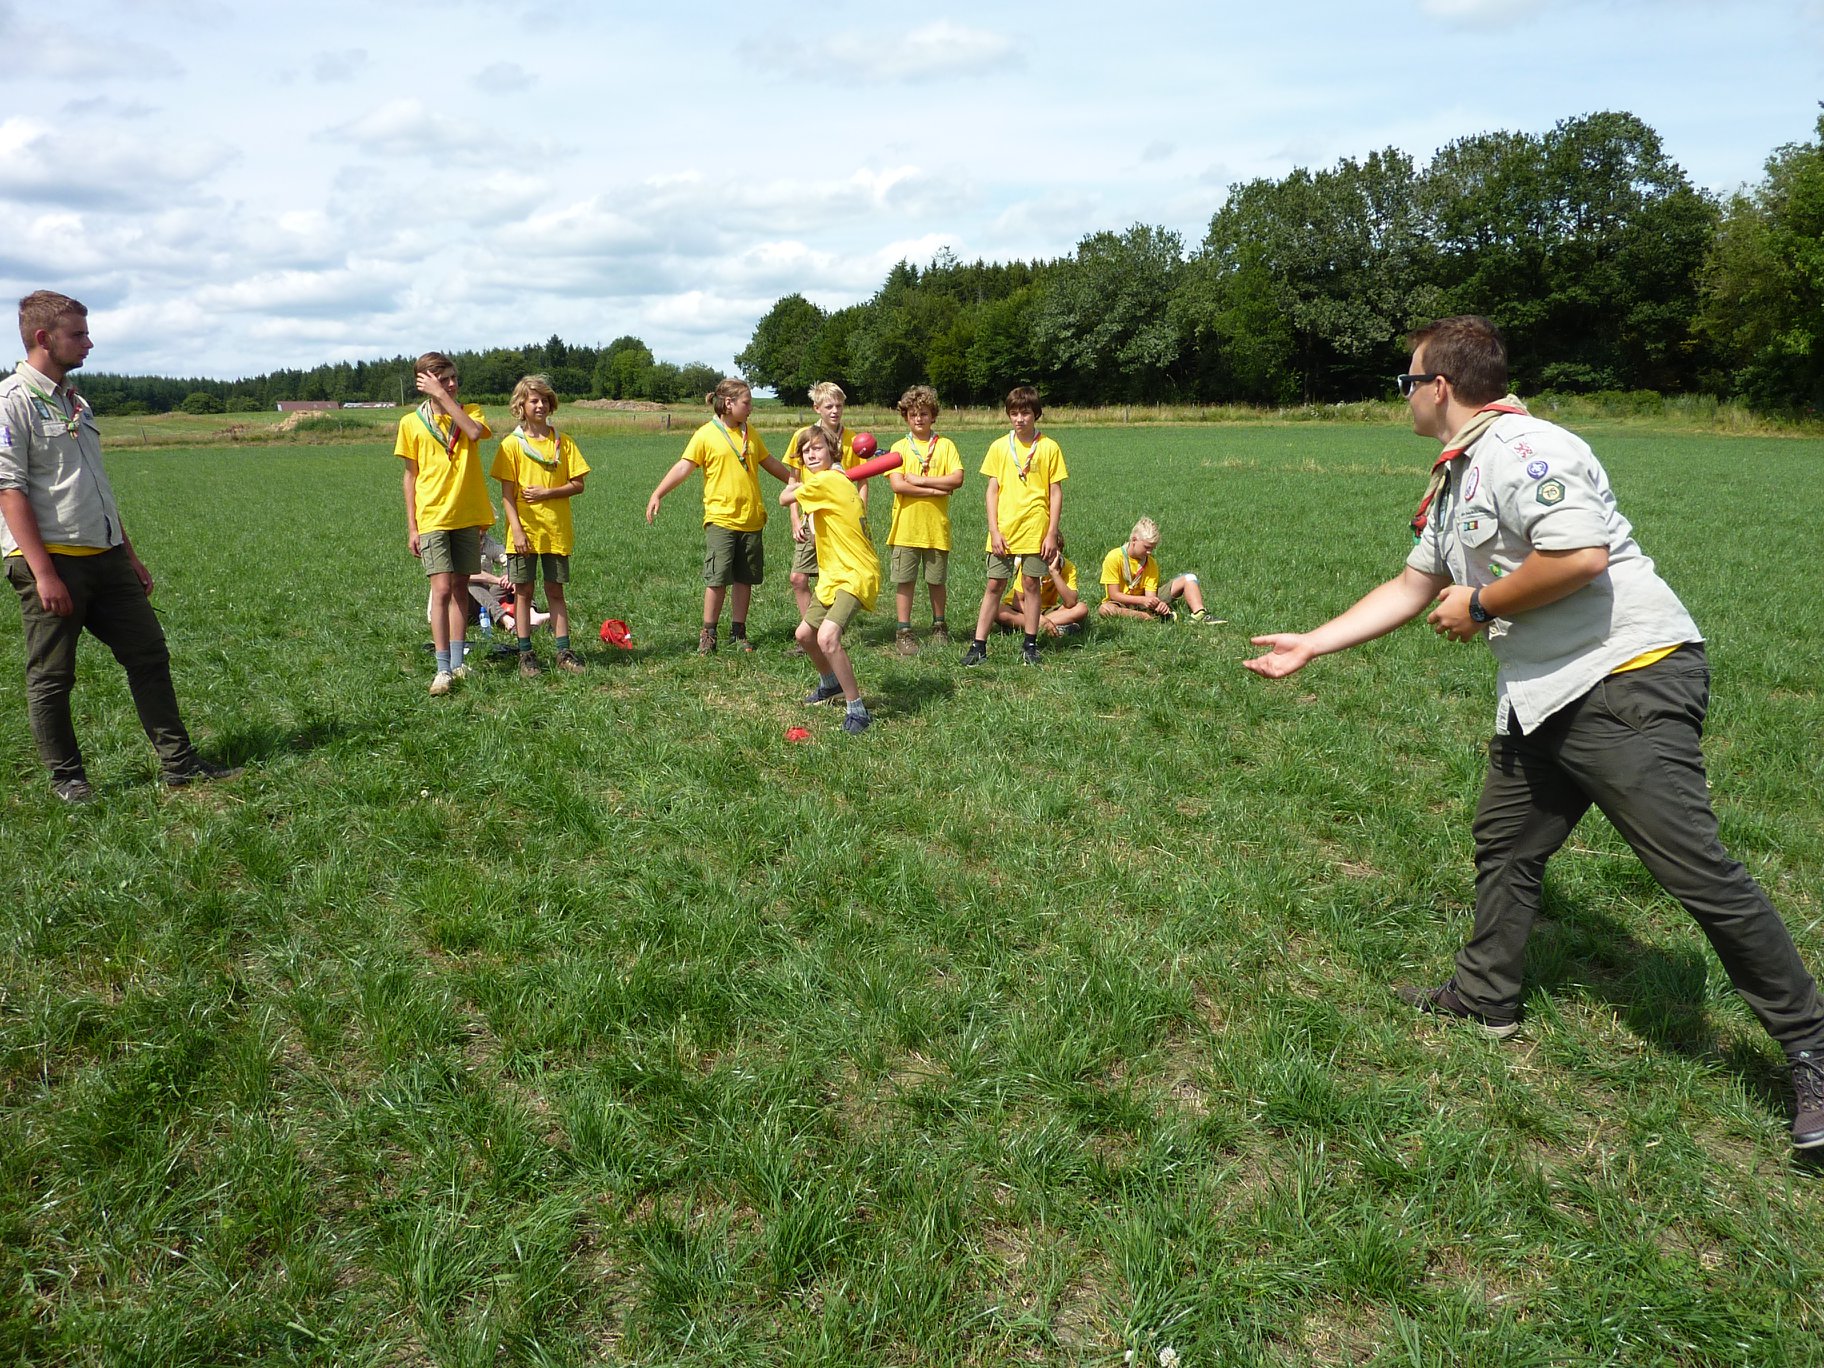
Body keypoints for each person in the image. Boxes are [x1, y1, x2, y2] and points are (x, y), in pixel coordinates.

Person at [1243, 314, 1824, 1151]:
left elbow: (1581, 555)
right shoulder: (1461, 473)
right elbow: (1414, 585)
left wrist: (1479, 605)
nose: (1403, 398)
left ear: (1439, 387)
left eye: (1408, 382)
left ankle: (1810, 1042)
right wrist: (1312, 643)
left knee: (1695, 869)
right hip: (1544, 694)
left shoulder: (1526, 450)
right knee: (1506, 841)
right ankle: (1486, 995)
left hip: (1626, 676)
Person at [0, 290, 239, 801]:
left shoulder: (75, 401)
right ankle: (69, 779)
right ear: (44, 338)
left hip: (107, 558)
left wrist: (128, 553)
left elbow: (95, 485)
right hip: (53, 561)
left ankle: (179, 763)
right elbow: (10, 490)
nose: (90, 342)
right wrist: (43, 574)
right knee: (52, 677)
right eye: (78, 334)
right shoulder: (12, 402)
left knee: (149, 654)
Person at [645, 378, 793, 654]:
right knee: (717, 578)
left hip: (751, 519)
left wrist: (795, 481)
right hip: (721, 519)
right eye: (746, 403)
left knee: (744, 578)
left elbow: (769, 461)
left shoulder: (750, 433)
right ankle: (708, 633)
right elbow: (683, 467)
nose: (751, 408)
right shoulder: (705, 435)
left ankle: (738, 633)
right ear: (729, 403)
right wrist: (658, 493)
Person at [397, 351, 493, 696]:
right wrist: (412, 526)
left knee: (459, 589)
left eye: (454, 379)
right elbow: (410, 477)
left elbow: (472, 432)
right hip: (433, 517)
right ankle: (441, 670)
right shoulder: (410, 424)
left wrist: (444, 397)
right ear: (426, 382)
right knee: (439, 590)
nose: (452, 385)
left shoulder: (471, 411)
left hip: (466, 516)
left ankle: (457, 662)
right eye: (444, 380)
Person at [491, 374, 590, 678]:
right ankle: (526, 654)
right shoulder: (511, 445)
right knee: (523, 592)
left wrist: (548, 492)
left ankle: (564, 652)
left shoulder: (564, 442)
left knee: (555, 590)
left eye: (545, 399)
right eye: (534, 400)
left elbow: (578, 484)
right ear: (521, 405)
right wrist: (517, 530)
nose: (540, 405)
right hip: (524, 534)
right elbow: (507, 496)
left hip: (556, 532)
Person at [961, 386, 1067, 668]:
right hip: (1005, 530)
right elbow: (991, 491)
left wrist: (1051, 532)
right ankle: (979, 645)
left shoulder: (1049, 447)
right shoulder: (999, 447)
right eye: (1014, 413)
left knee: (1031, 584)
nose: (1020, 419)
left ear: (1036, 415)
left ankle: (1030, 644)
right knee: (995, 584)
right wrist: (994, 531)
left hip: (1036, 528)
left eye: (1026, 413)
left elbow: (1055, 492)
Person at [781, 426, 877, 734]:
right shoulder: (834, 479)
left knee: (827, 638)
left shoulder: (825, 481)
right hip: (834, 575)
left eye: (817, 448)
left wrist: (796, 481)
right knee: (805, 636)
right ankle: (830, 684)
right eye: (805, 450)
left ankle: (857, 709)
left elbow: (785, 497)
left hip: (855, 573)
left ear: (832, 452)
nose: (810, 454)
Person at [780, 381, 866, 637]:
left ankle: (831, 628)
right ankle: (811, 631)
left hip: (841, 521)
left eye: (839, 405)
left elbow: (862, 481)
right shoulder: (803, 437)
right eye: (829, 406)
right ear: (816, 408)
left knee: (836, 577)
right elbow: (794, 480)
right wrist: (795, 519)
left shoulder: (852, 439)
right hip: (812, 516)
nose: (835, 411)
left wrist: (861, 513)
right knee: (798, 578)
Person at [885, 384, 964, 655]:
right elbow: (899, 485)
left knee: (936, 581)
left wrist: (920, 479)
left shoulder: (946, 446)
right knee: (904, 581)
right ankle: (903, 631)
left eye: (924, 413)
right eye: (913, 414)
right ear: (906, 417)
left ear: (933, 415)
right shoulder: (898, 448)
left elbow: (957, 478)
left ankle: (939, 626)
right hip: (906, 528)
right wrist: (934, 489)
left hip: (936, 528)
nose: (919, 418)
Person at [1098, 517, 1223, 625]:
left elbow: (1150, 596)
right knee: (1105, 609)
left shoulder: (1150, 562)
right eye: (1147, 547)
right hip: (1121, 602)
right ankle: (1145, 617)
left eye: (1152, 548)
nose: (1149, 552)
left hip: (1144, 601)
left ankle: (1200, 614)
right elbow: (1114, 594)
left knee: (1189, 578)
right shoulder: (1114, 557)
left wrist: (1156, 604)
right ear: (1134, 540)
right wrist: (1144, 601)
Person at [996, 544, 1086, 637]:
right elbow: (1017, 601)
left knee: (1081, 608)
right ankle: (1051, 627)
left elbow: (1071, 602)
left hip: (1047, 609)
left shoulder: (1067, 567)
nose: (1048, 555)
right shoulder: (1030, 565)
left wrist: (1054, 573)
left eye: (1053, 551)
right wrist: (1039, 619)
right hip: (1022, 609)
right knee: (998, 610)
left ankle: (1027, 626)